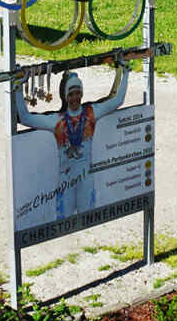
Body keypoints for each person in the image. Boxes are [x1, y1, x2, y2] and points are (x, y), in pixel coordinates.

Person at [12, 61, 129, 222]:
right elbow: (25, 118)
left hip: (86, 177)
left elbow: (117, 101)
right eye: (71, 94)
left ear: (82, 94)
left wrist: (126, 72)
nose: (75, 97)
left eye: (77, 93)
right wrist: (18, 87)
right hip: (65, 180)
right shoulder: (57, 120)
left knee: (87, 219)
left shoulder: (91, 113)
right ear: (66, 97)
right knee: (63, 222)